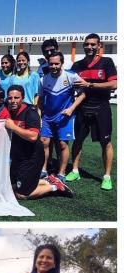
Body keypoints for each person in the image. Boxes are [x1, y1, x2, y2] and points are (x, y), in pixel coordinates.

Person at [67, 33, 117, 190]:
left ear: (99, 46)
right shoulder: (77, 65)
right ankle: (75, 170)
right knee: (78, 140)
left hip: (101, 106)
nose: (89, 47)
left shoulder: (107, 62)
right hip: (82, 106)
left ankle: (107, 176)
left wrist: (89, 85)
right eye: (87, 44)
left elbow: (114, 84)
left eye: (93, 44)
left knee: (105, 142)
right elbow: (71, 84)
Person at [5, 85, 72, 199]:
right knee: (10, 186)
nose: (13, 101)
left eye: (16, 98)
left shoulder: (30, 113)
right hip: (19, 156)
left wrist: (14, 127)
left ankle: (54, 186)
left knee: (21, 194)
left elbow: (33, 136)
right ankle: (48, 180)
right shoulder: (7, 107)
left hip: (32, 157)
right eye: (10, 98)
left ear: (23, 98)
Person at [38, 52, 86, 181]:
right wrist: (40, 114)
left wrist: (71, 109)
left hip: (64, 117)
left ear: (61, 64)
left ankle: (61, 173)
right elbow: (40, 99)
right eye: (51, 63)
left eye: (56, 64)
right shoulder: (43, 79)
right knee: (44, 142)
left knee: (62, 144)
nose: (54, 66)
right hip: (47, 117)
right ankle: (43, 169)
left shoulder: (71, 76)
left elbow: (82, 94)